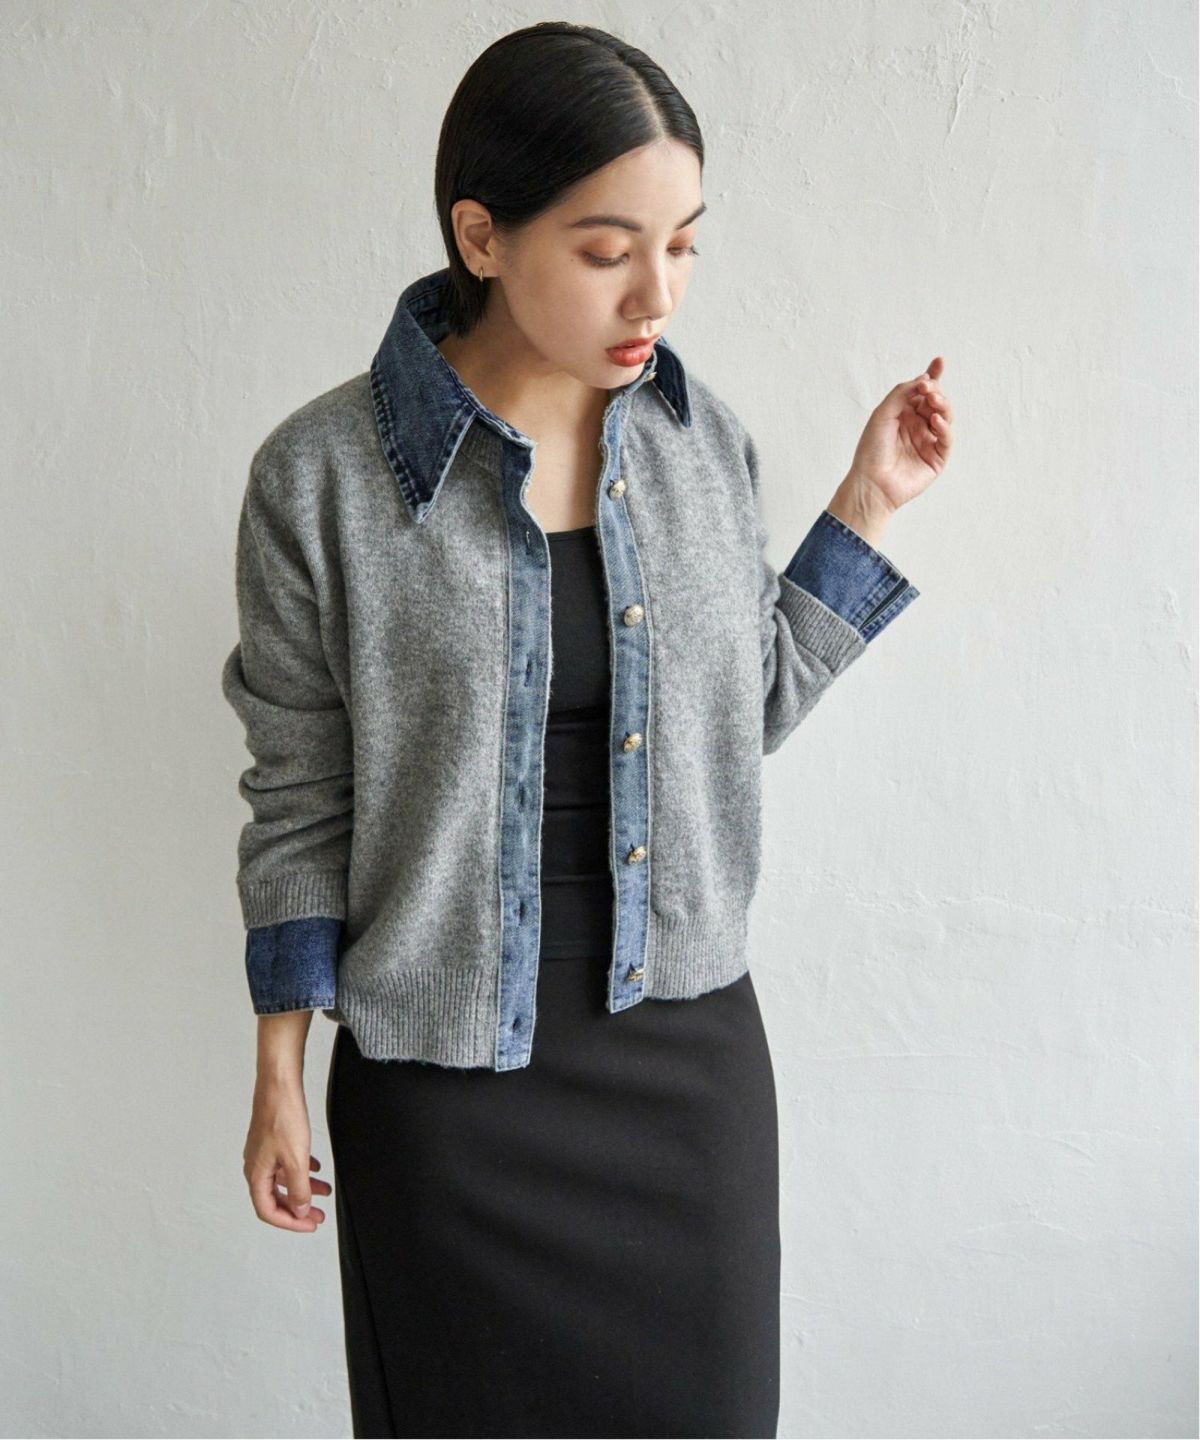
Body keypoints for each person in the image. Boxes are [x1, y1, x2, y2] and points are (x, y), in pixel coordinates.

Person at [223, 21, 952, 1440]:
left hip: (683, 1080)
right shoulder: (320, 479)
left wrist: (866, 505)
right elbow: (301, 796)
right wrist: (277, 1074)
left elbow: (736, 718)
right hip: (445, 1101)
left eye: (684, 244)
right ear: (481, 237)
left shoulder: (702, 446)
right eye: (610, 249)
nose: (658, 292)